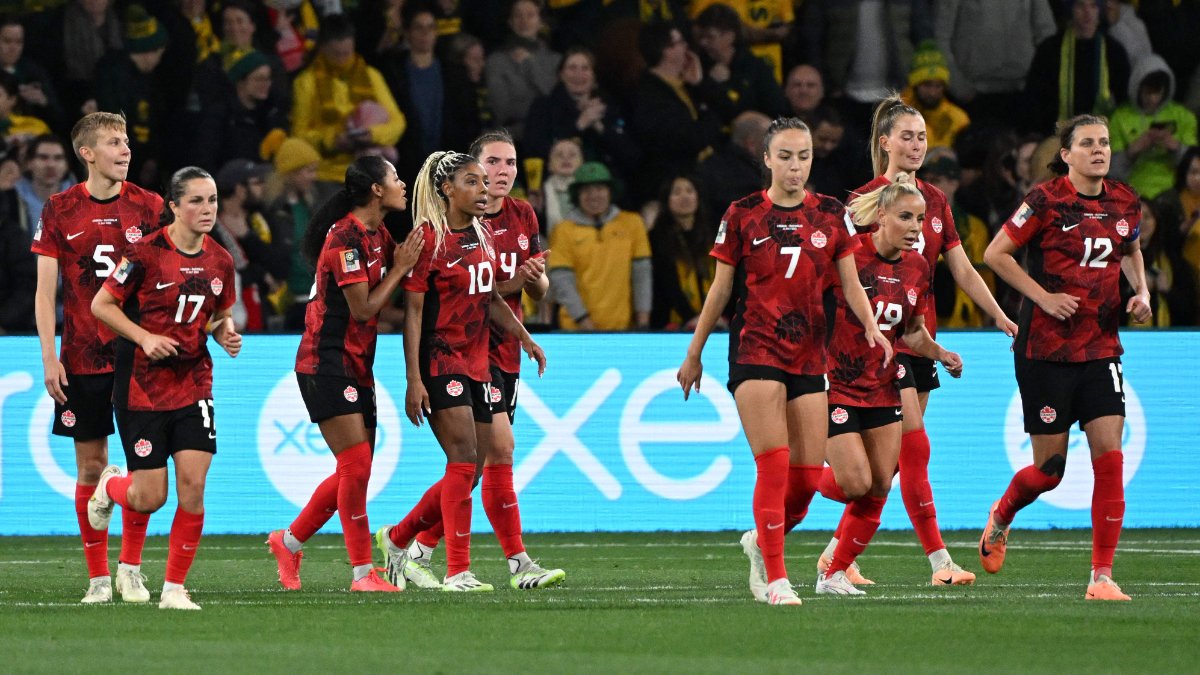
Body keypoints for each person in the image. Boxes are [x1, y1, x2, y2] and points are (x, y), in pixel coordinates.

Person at [676, 117, 892, 606]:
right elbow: (721, 288)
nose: (796, 167)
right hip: (755, 351)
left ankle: (761, 542)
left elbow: (851, 283)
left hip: (810, 354)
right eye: (787, 157)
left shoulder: (832, 215)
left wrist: (872, 325)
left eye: (804, 157)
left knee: (806, 477)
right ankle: (777, 579)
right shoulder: (743, 213)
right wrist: (695, 352)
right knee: (773, 467)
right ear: (768, 159)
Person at [820, 95, 1016, 586]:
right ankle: (939, 560)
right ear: (884, 142)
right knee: (914, 451)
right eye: (906, 136)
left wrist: (999, 315)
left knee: (883, 470)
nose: (916, 144)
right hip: (877, 349)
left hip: (918, 335)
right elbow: (836, 277)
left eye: (922, 136)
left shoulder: (934, 201)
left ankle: (831, 548)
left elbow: (962, 268)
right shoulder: (865, 202)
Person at [377, 132, 565, 591]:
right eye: (476, 179)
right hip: (443, 360)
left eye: (494, 175)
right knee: (470, 458)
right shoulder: (427, 239)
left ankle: (403, 540)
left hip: (482, 358)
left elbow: (490, 298)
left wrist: (526, 338)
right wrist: (413, 378)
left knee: (476, 463)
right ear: (448, 188)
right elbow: (414, 313)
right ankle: (472, 567)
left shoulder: (485, 232)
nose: (487, 187)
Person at [980, 114, 1151, 601]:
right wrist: (1044, 298)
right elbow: (996, 254)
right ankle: (1003, 513)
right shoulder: (1045, 200)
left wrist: (1141, 294)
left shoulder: (1124, 200)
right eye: (1088, 144)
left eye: (1105, 143)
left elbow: (1131, 249)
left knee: (1110, 461)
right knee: (1048, 472)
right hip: (1045, 350)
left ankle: (1101, 577)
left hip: (1101, 348)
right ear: (1067, 154)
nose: (1099, 150)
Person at [266, 155, 423, 593]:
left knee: (355, 468)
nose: (402, 182)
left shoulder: (378, 234)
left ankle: (289, 541)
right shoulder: (345, 239)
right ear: (376, 189)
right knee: (355, 465)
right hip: (324, 361)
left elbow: (403, 278)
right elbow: (365, 307)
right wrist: (400, 268)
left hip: (357, 364)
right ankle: (362, 573)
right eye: (395, 177)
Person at [87, 166, 239, 610]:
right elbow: (102, 304)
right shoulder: (144, 253)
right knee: (150, 497)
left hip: (194, 382)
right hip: (141, 386)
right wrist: (144, 337)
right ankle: (112, 485)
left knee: (193, 486)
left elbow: (215, 314)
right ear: (173, 206)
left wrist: (223, 332)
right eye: (195, 201)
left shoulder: (221, 260)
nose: (207, 209)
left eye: (211, 200)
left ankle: (174, 589)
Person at [30, 112, 162, 604]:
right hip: (81, 357)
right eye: (113, 142)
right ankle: (98, 579)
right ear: (87, 153)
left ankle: (130, 569)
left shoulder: (149, 207)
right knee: (91, 469)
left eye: (126, 140)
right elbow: (46, 294)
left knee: (142, 468)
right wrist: (49, 356)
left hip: (138, 359)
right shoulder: (60, 208)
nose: (125, 149)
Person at [816, 173, 963, 596]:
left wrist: (940, 353)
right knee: (855, 482)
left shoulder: (918, 269)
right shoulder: (848, 256)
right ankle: (801, 478)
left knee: (880, 484)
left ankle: (834, 574)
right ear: (879, 216)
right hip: (836, 382)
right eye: (906, 217)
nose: (916, 227)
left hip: (883, 384)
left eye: (920, 218)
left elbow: (912, 332)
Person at [291, 14, 405, 187]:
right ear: (323, 48)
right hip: (326, 176)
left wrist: (372, 134)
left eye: (348, 53)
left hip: (368, 176)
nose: (344, 59)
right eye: (337, 54)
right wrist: (332, 141)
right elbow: (298, 134)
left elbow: (398, 122)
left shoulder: (371, 76)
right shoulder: (306, 82)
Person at [548, 161, 652, 330]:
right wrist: (584, 322)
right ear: (577, 195)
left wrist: (643, 322)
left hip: (624, 328)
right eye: (586, 190)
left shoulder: (632, 223)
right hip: (576, 330)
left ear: (610, 192)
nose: (594, 195)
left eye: (600, 188)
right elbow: (562, 281)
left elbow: (642, 274)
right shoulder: (563, 230)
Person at [1024, 0, 1130, 135]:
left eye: (1093, 6)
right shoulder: (1050, 50)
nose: (1087, 12)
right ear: (1071, 10)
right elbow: (1036, 99)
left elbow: (1124, 101)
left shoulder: (1114, 52)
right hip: (1056, 137)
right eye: (1081, 5)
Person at [1110, 55, 1197, 200]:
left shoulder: (1183, 116)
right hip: (1132, 190)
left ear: (1166, 89)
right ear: (1137, 89)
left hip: (1174, 190)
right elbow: (1112, 172)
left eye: (1157, 92)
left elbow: (1195, 169)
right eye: (1147, 92)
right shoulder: (1119, 118)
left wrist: (1175, 147)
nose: (1153, 98)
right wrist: (1133, 151)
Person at [484, 0, 561, 141]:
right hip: (510, 138)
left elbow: (556, 99)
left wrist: (529, 64)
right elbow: (502, 110)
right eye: (518, 15)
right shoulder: (496, 60)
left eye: (530, 15)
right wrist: (541, 107)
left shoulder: (556, 60)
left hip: (550, 134)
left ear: (541, 21)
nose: (524, 21)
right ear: (510, 22)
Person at [649, 174, 716, 329]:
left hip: (716, 322)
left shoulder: (713, 234)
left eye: (689, 191)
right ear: (667, 200)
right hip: (672, 325)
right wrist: (691, 318)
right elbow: (666, 285)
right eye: (677, 192)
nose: (684, 197)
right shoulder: (656, 237)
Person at [901, 41, 970, 150]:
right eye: (927, 85)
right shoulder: (896, 116)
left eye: (938, 86)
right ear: (915, 84)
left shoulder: (958, 119)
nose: (932, 93)